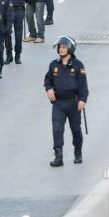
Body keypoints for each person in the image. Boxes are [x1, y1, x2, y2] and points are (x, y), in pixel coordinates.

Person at [44, 36, 89, 167]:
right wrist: (49, 89)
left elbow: (83, 86)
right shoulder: (54, 65)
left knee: (75, 129)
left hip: (73, 103)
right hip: (58, 104)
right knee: (57, 129)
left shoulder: (78, 65)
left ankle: (78, 151)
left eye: (64, 47)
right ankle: (58, 157)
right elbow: (47, 80)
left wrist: (82, 100)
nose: (61, 49)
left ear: (70, 49)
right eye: (60, 47)